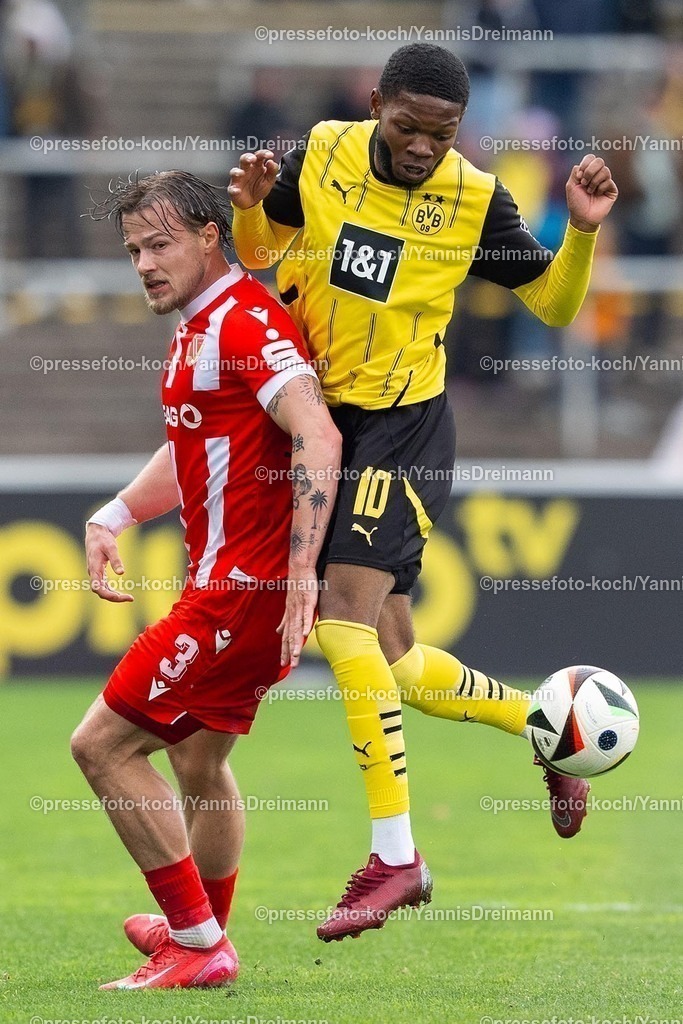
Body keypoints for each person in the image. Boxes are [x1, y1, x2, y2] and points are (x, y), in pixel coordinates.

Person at [228, 43, 619, 942]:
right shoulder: (322, 150)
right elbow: (261, 253)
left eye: (440, 135)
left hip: (402, 427)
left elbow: (554, 307)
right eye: (407, 127)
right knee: (395, 661)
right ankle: (547, 728)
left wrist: (582, 232)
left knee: (340, 621)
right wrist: (249, 208)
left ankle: (396, 857)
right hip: (321, 428)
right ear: (376, 104)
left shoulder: (474, 198)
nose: (420, 147)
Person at [72, 170, 341, 988]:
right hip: (232, 588)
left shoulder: (244, 321)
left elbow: (318, 432)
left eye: (159, 245)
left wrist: (301, 570)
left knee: (102, 747)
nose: (145, 264)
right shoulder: (199, 329)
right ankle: (203, 928)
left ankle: (195, 944)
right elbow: (193, 440)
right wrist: (114, 515)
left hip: (241, 595)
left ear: (208, 236)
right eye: (133, 251)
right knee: (196, 761)